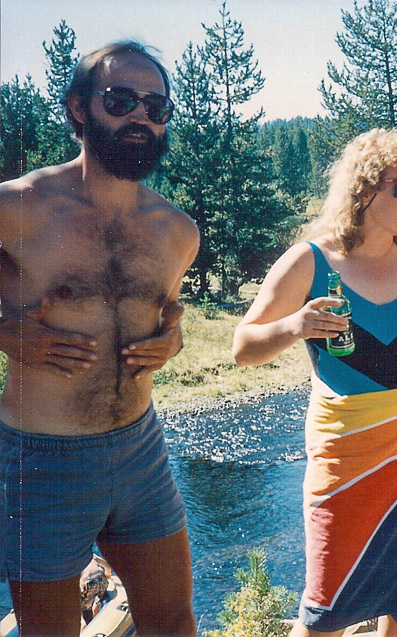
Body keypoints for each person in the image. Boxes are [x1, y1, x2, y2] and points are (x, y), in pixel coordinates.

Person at [232, 128, 397, 637]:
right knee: (328, 608)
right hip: (344, 452)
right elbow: (243, 348)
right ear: (365, 189)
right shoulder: (310, 260)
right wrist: (294, 326)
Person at [0, 41, 199, 635]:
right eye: (120, 100)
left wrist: (174, 341)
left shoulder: (176, 232)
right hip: (42, 458)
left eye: (155, 106)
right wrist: (3, 332)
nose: (140, 115)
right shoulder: (22, 208)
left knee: (172, 621)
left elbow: (165, 318)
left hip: (141, 450)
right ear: (79, 109)